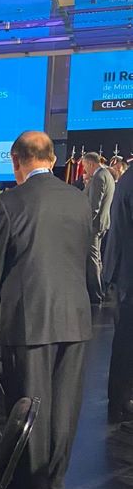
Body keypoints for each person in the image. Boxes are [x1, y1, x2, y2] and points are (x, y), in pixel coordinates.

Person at [0, 131, 92, 489]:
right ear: (52, 159)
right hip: (75, 317)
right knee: (64, 407)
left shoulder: (9, 202)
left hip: (28, 319)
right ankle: (54, 483)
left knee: (28, 404)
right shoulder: (78, 199)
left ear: (16, 160)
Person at [103, 156, 133, 425]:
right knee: (125, 344)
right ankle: (119, 403)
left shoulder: (127, 179)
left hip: (124, 274)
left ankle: (121, 401)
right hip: (128, 277)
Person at [81, 150, 116, 304]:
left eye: (84, 166)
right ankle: (100, 291)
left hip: (94, 225)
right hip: (102, 223)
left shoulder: (99, 177)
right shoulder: (107, 175)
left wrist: (85, 223)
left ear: (90, 163)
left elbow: (94, 206)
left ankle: (96, 294)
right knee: (97, 259)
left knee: (93, 260)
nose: (84, 170)